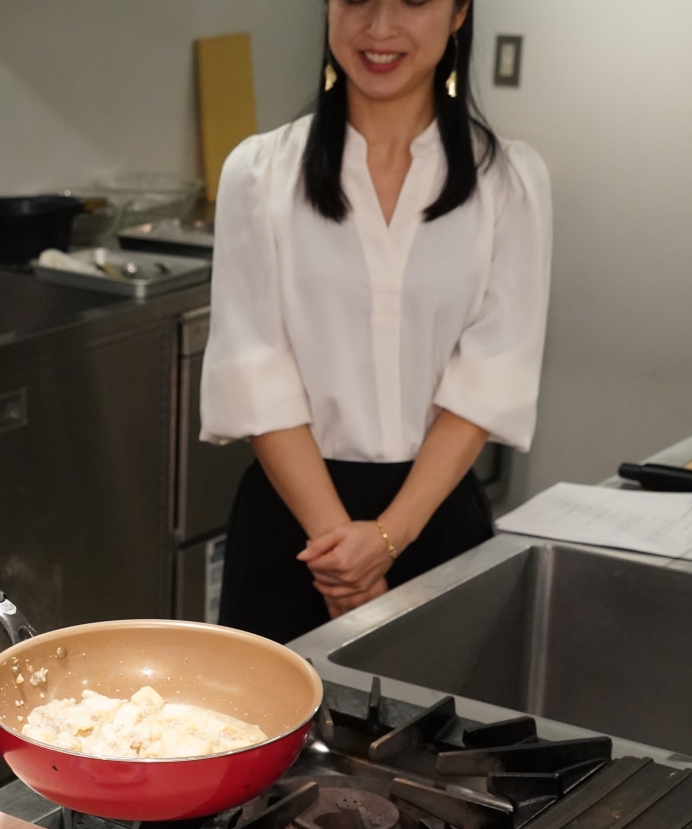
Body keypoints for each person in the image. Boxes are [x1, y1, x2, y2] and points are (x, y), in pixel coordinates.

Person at [201, 0, 551, 644]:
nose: (380, 27)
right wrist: (346, 560)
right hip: (292, 535)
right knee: (275, 739)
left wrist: (388, 539)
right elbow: (256, 372)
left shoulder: (508, 181)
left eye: (414, 0)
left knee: (446, 740)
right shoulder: (259, 172)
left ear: (458, 13)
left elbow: (492, 372)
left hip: (435, 524)